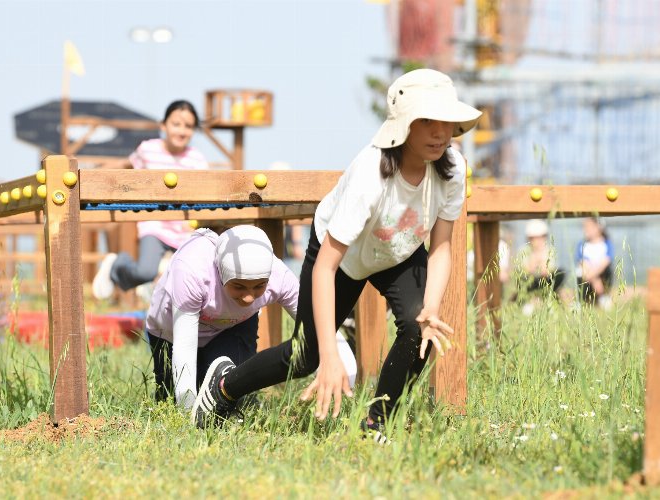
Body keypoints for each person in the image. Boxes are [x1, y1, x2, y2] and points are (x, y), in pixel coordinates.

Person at [190, 68, 482, 440]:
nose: (439, 132)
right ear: (404, 124)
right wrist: (329, 358)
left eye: (445, 120)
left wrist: (431, 308)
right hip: (342, 258)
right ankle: (225, 386)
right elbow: (325, 267)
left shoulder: (453, 170)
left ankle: (375, 425)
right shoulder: (371, 175)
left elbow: (441, 247)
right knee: (305, 355)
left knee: (418, 328)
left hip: (398, 250)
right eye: (426, 120)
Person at [145, 225, 355, 410]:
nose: (248, 296)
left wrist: (347, 374)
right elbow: (184, 346)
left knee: (224, 399)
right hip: (170, 334)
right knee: (172, 401)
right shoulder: (193, 271)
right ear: (220, 273)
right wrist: (187, 412)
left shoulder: (278, 277)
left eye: (258, 286)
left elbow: (319, 326)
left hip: (230, 329)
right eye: (239, 286)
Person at [92, 100, 209, 300]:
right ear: (163, 126)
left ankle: (165, 296)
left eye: (188, 126)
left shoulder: (196, 159)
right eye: (176, 124)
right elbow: (126, 166)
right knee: (145, 271)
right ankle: (117, 266)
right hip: (155, 224)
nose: (182, 131)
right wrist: (98, 175)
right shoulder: (148, 149)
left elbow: (206, 191)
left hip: (184, 228)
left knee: (197, 272)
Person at [513, 219, 565, 313]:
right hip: (530, 281)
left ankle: (544, 299)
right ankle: (531, 300)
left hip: (545, 280)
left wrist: (539, 261)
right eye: (534, 238)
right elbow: (526, 270)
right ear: (529, 238)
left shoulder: (550, 250)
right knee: (522, 277)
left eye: (541, 237)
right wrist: (537, 258)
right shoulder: (523, 250)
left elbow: (547, 271)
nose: (538, 240)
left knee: (560, 274)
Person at [575, 216, 614, 308]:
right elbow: (582, 262)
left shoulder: (606, 243)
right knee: (580, 272)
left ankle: (603, 297)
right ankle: (581, 300)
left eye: (589, 227)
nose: (585, 230)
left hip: (601, 275)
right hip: (588, 276)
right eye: (584, 227)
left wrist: (595, 276)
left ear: (598, 228)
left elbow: (606, 261)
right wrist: (594, 279)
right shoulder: (582, 244)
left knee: (608, 270)